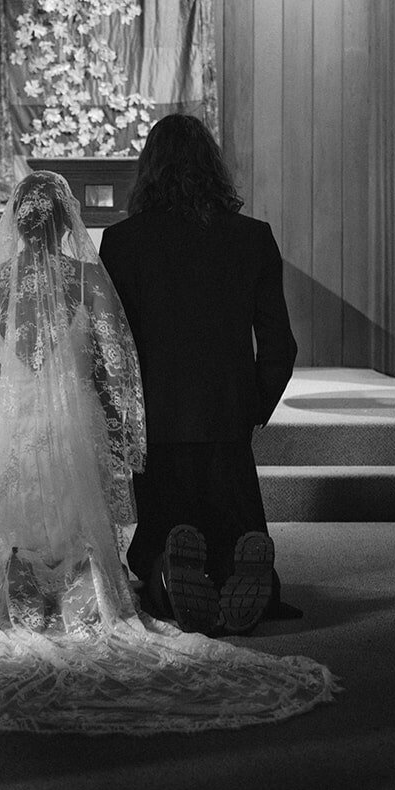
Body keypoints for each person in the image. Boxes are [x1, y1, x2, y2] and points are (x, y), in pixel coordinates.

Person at [0, 169, 334, 734]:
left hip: (16, 420)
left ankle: (29, 601)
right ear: (67, 221)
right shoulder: (86, 277)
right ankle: (96, 597)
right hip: (77, 419)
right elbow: (117, 360)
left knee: (16, 521)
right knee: (79, 522)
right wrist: (119, 423)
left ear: (14, 221)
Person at [99, 114, 299, 635]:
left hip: (159, 423)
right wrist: (253, 406)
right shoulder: (252, 238)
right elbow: (279, 344)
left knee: (161, 531)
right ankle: (244, 573)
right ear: (213, 166)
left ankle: (167, 572)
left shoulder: (123, 243)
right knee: (235, 530)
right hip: (226, 419)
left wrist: (123, 418)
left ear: (149, 171)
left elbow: (114, 348)